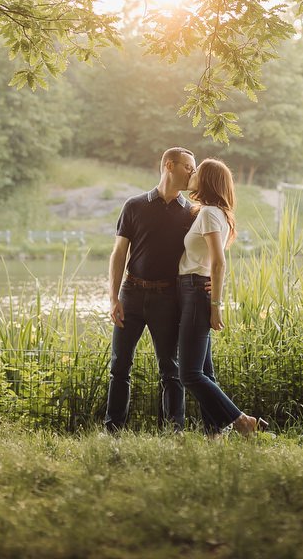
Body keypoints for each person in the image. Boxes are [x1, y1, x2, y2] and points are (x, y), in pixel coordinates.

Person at [104, 146, 197, 431]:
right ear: (169, 165)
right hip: (131, 294)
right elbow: (118, 254)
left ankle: (174, 432)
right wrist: (113, 299)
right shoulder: (134, 205)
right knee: (119, 367)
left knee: (171, 370)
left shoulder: (191, 213)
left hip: (168, 298)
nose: (193, 174)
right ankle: (112, 430)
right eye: (188, 168)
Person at [177, 157, 265, 436]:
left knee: (189, 374)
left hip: (195, 291)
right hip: (192, 289)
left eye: (197, 171)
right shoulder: (212, 212)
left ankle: (243, 421)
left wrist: (216, 305)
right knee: (205, 372)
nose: (192, 174)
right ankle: (213, 435)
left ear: (207, 180)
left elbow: (219, 262)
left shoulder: (209, 214)